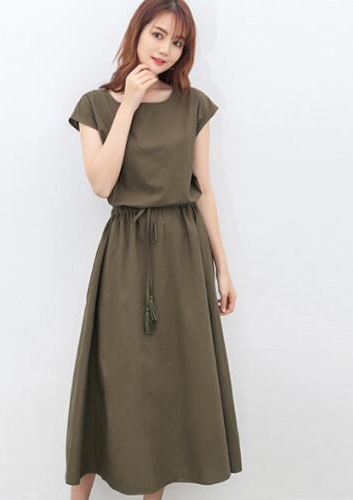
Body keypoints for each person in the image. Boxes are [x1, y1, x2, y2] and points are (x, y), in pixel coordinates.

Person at [65, 0, 242, 498]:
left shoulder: (194, 105)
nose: (166, 49)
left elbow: (202, 189)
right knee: (112, 377)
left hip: (182, 254)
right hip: (125, 253)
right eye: (158, 34)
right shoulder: (96, 105)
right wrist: (129, 105)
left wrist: (222, 268)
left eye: (178, 42)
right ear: (137, 32)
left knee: (168, 382)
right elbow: (102, 184)